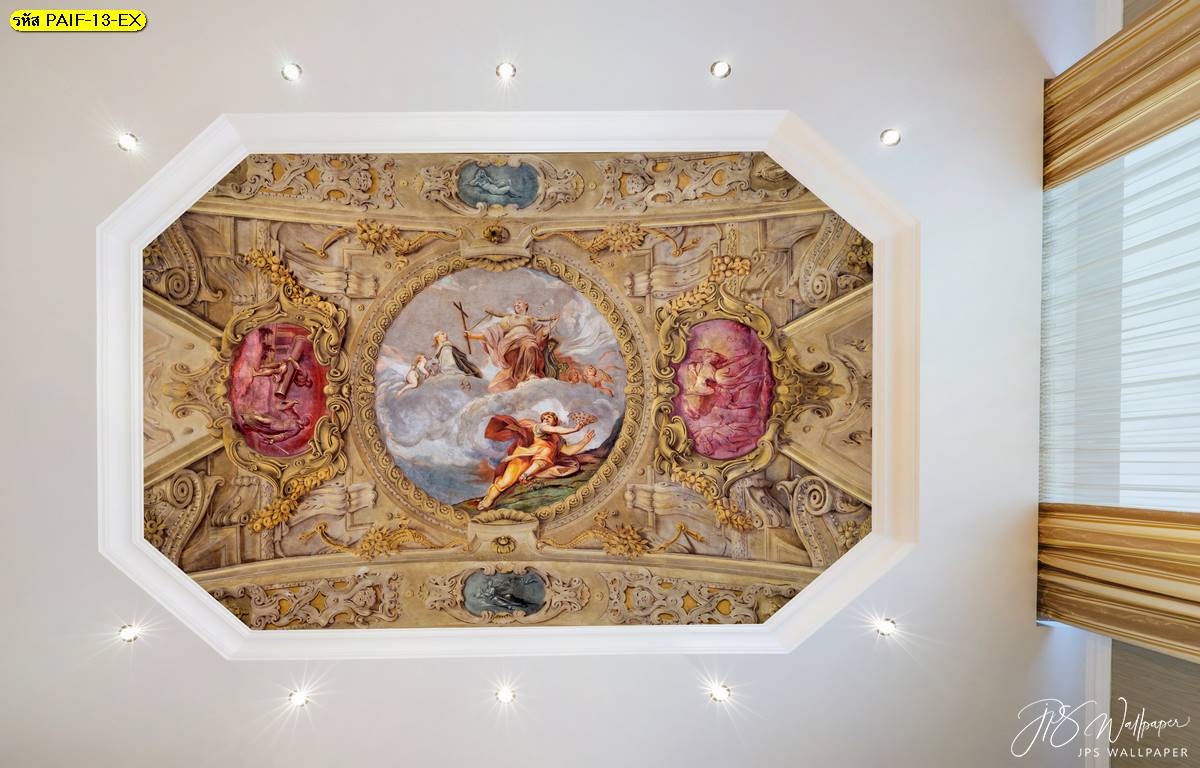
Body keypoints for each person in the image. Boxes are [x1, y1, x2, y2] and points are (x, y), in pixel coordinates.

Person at [477, 412, 595, 510]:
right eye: (544, 417)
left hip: (539, 464)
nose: (546, 419)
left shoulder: (557, 439)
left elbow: (568, 451)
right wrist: (574, 429)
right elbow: (553, 429)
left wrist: (584, 441)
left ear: (555, 421)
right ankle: (488, 499)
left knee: (547, 449)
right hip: (524, 458)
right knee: (505, 482)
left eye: (549, 417)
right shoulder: (539, 427)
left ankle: (526, 475)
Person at [466, 300, 558, 392]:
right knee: (529, 345)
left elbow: (543, 332)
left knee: (531, 346)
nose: (516, 305)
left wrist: (555, 321)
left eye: (519, 303)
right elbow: (493, 332)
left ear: (526, 305)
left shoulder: (530, 319)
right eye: (515, 304)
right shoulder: (509, 318)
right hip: (510, 343)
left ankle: (530, 373)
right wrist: (472, 336)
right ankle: (527, 373)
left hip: (527, 340)